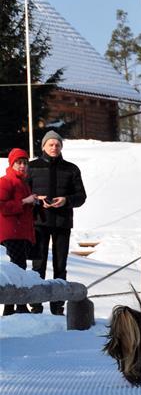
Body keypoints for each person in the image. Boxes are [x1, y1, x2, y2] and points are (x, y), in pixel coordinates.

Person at [26, 131, 87, 315]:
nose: (54, 148)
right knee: (38, 265)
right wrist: (37, 199)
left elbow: (81, 196)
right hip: (39, 221)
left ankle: (57, 306)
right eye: (51, 144)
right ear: (43, 146)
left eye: (57, 145)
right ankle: (36, 305)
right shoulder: (31, 167)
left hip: (62, 223)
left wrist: (66, 200)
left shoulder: (71, 169)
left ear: (61, 147)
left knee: (61, 265)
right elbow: (24, 195)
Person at [0, 148, 38, 315]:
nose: (23, 166)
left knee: (19, 268)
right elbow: (2, 207)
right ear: (12, 163)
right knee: (17, 269)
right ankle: (17, 306)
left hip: (20, 232)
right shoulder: (6, 181)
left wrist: (33, 201)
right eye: (19, 163)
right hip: (11, 232)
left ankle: (11, 308)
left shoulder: (23, 183)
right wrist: (24, 201)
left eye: (25, 163)